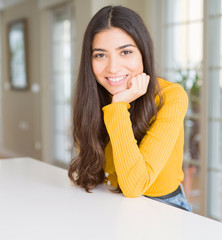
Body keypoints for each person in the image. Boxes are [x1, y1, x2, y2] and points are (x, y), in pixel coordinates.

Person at [68, 5, 192, 212]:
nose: (113, 67)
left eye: (125, 52)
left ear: (143, 53)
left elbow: (135, 186)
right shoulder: (92, 97)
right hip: (113, 202)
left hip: (166, 207)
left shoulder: (171, 96)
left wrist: (118, 107)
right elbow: (91, 173)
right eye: (100, 55)